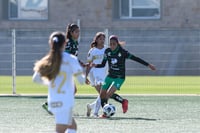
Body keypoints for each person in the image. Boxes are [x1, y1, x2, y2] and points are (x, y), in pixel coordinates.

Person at [92, 35, 156, 118]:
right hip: (110, 75)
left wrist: (148, 65)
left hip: (119, 77)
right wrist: (94, 65)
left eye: (114, 44)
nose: (112, 46)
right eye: (110, 44)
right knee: (102, 95)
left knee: (108, 94)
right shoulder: (107, 51)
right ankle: (106, 113)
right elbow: (103, 64)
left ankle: (123, 102)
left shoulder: (123, 52)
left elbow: (135, 58)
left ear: (117, 44)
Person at [32, 31, 85, 133]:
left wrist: (50, 83)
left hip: (53, 100)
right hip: (65, 101)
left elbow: (36, 79)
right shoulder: (71, 59)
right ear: (65, 43)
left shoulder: (47, 59)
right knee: (60, 130)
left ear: (50, 43)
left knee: (72, 127)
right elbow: (81, 81)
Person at [42, 23, 86, 114]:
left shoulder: (75, 42)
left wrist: (81, 63)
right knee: (71, 90)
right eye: (76, 32)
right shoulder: (68, 43)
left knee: (71, 90)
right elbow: (66, 56)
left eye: (79, 31)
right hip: (63, 70)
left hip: (67, 70)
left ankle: (52, 105)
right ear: (71, 32)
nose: (78, 34)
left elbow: (73, 57)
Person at [85, 32, 128, 117]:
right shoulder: (92, 51)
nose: (102, 40)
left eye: (103, 39)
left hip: (104, 74)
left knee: (103, 95)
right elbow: (89, 64)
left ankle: (91, 108)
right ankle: (95, 113)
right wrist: (86, 76)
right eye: (100, 39)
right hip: (95, 74)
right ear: (96, 40)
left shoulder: (107, 49)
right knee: (103, 95)